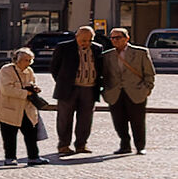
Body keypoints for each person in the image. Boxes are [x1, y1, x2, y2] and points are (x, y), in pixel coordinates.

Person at [101, 26, 157, 154]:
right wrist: (104, 91)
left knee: (138, 121)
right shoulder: (107, 55)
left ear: (127, 38)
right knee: (119, 121)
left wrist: (146, 89)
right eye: (112, 38)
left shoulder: (140, 53)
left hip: (136, 92)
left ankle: (140, 146)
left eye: (118, 37)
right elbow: (104, 75)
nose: (114, 40)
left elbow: (149, 73)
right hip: (115, 93)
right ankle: (124, 145)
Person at [49, 25, 100, 157]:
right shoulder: (64, 47)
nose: (86, 43)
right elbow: (55, 68)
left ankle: (81, 144)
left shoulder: (97, 48)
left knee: (86, 118)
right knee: (65, 118)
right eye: (83, 40)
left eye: (89, 40)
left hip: (89, 88)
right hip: (68, 89)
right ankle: (64, 145)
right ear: (76, 37)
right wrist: (63, 82)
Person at [0, 45, 43, 164]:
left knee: (31, 133)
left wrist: (34, 88)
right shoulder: (6, 70)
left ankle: (33, 157)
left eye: (30, 60)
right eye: (26, 60)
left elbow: (32, 82)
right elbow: (6, 90)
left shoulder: (29, 71)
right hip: (9, 108)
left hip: (26, 108)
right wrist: (26, 93)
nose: (29, 63)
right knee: (9, 135)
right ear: (17, 60)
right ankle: (10, 158)